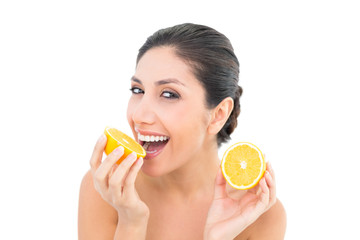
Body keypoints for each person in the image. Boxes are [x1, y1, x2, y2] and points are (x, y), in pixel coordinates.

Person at [78, 23, 286, 239]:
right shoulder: (105, 190)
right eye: (138, 90)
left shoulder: (258, 214)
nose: (138, 115)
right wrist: (131, 222)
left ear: (218, 114)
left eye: (169, 94)